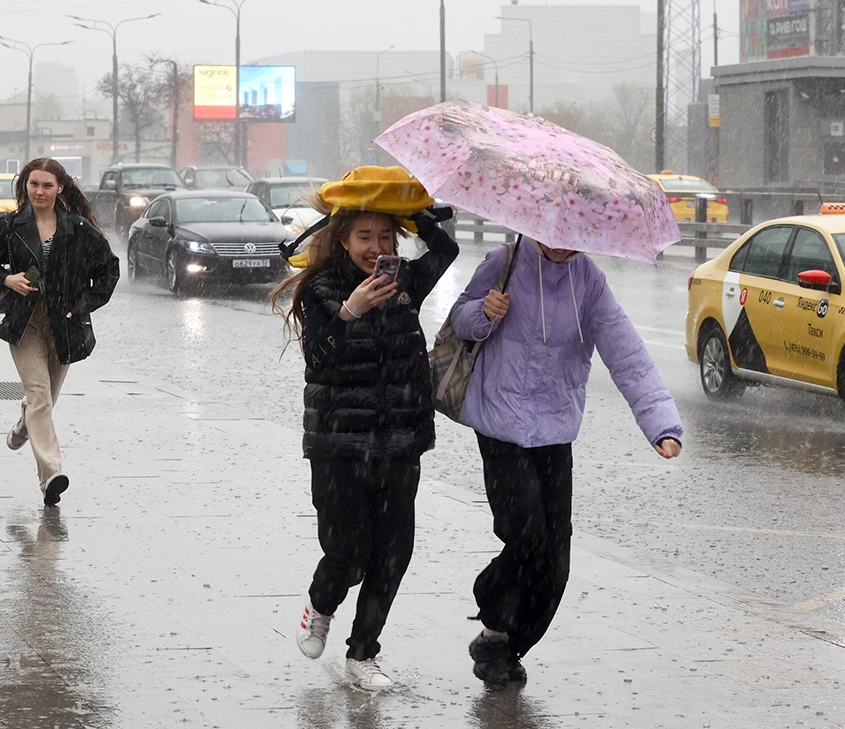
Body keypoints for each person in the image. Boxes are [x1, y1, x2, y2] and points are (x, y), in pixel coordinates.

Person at [449, 235, 683, 686]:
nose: (560, 245)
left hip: (555, 430)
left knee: (556, 561)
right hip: (501, 422)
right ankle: (494, 612)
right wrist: (484, 313)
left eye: (571, 239)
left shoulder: (589, 282)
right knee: (526, 533)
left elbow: (627, 354)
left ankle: (505, 645)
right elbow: (459, 319)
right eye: (552, 236)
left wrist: (661, 422)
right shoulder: (504, 261)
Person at [269, 168, 459, 691]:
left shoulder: (404, 283)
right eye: (363, 237)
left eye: (383, 236)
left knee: (394, 551)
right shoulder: (324, 288)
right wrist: (350, 312)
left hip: (401, 440)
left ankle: (363, 654)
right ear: (343, 240)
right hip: (339, 444)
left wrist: (416, 215)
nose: (375, 248)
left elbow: (445, 252)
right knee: (347, 551)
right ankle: (321, 603)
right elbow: (320, 363)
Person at [0, 158, 120, 507]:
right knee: (40, 396)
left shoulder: (78, 228)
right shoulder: (8, 226)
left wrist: (81, 305)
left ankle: (24, 426)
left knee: (44, 402)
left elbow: (109, 272)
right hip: (24, 323)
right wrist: (7, 278)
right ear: (25, 186)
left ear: (60, 188)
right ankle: (51, 475)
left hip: (64, 324)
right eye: (33, 184)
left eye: (47, 185)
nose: (39, 191)